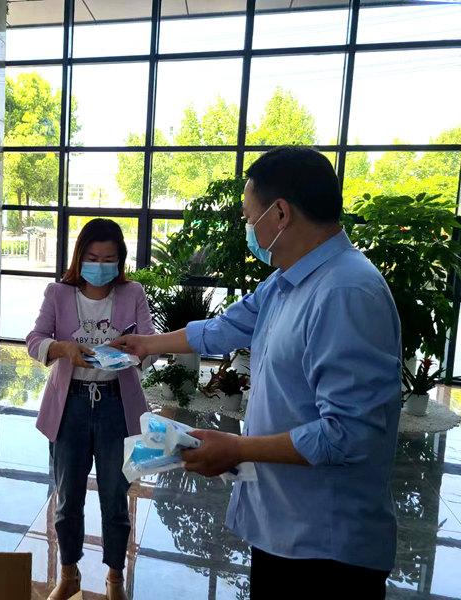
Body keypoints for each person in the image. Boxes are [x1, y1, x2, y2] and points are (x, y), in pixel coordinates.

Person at [114, 147, 401, 598]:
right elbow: (225, 328)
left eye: (250, 217)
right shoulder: (288, 281)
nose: (248, 228)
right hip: (284, 530)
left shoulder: (346, 292)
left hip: (326, 553)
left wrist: (236, 448)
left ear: (280, 213)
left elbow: (348, 434)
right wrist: (147, 344)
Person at [27, 219, 155, 600]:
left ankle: (115, 579)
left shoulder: (133, 293)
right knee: (68, 498)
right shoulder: (58, 293)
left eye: (109, 259)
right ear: (80, 257)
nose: (100, 265)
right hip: (71, 405)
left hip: (118, 405)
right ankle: (68, 574)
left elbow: (150, 346)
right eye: (93, 257)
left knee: (116, 498)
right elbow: (34, 340)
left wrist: (133, 350)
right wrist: (62, 348)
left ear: (120, 261)